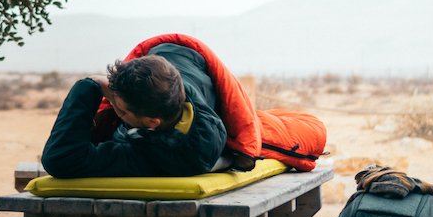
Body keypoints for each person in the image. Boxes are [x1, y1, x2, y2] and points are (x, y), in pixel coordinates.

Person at [40, 33, 326, 180]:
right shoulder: (169, 89)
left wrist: (89, 85)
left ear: (152, 122)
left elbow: (60, 159)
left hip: (193, 137)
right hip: (182, 54)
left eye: (123, 112)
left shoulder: (176, 153)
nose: (115, 111)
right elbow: (171, 52)